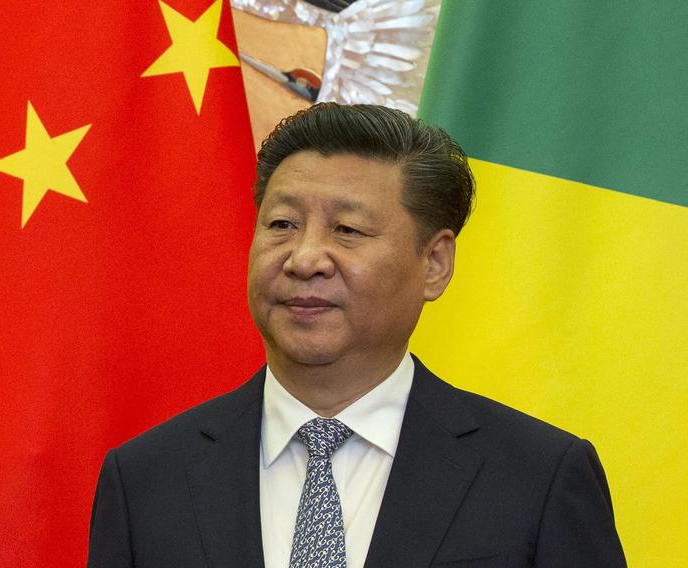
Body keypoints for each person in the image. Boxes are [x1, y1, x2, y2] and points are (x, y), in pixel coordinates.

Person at [87, 103, 626, 567]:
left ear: (434, 263)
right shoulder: (146, 479)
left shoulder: (539, 475)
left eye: (347, 230)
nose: (304, 259)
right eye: (281, 225)